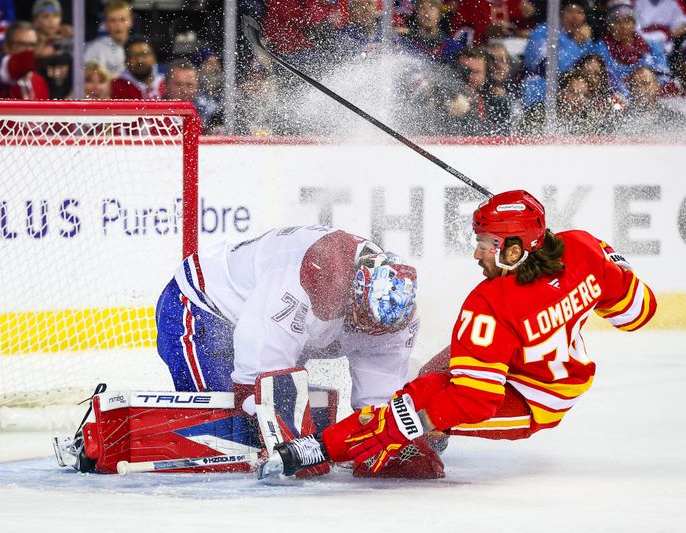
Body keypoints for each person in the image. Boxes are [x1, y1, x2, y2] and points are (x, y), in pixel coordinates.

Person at [261, 190, 658, 479]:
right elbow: (638, 313)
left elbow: (476, 401)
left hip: (529, 401)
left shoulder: (489, 302)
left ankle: (311, 451)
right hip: (545, 367)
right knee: (428, 381)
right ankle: (412, 430)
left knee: (412, 402)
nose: (477, 254)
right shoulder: (583, 248)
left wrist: (407, 423)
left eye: (486, 244)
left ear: (516, 250)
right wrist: (603, 270)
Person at [155, 225, 419, 419]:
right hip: (204, 304)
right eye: (362, 318)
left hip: (267, 321)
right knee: (227, 424)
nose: (366, 331)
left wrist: (382, 433)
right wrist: (258, 404)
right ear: (354, 290)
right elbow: (256, 377)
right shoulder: (317, 275)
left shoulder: (396, 312)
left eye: (377, 328)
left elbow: (377, 402)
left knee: (284, 421)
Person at [522, 0, 595, 108]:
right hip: (539, 94)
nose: (574, 17)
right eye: (570, 11)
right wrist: (574, 44)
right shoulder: (542, 32)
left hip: (573, 98)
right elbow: (548, 67)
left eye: (580, 13)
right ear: (561, 13)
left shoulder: (586, 40)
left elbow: (596, 70)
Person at [593, 0, 671, 99]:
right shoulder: (600, 49)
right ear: (609, 25)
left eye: (627, 20)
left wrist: (648, 88)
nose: (623, 27)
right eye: (616, 21)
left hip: (651, 97)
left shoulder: (651, 45)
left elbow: (664, 75)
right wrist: (629, 95)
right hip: (619, 101)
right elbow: (606, 82)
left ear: (634, 23)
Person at [0, 20, 49, 99]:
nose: (28, 50)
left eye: (32, 45)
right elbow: (9, 70)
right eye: (22, 44)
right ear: (7, 47)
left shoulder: (39, 81)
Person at [83, 0, 133, 77]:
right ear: (106, 23)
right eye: (113, 20)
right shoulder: (95, 49)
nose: (118, 25)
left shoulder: (138, 47)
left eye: (122, 20)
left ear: (130, 21)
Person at [110, 34, 164, 99]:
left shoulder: (166, 83)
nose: (140, 60)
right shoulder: (117, 87)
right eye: (134, 56)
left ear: (154, 58)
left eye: (144, 54)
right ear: (126, 62)